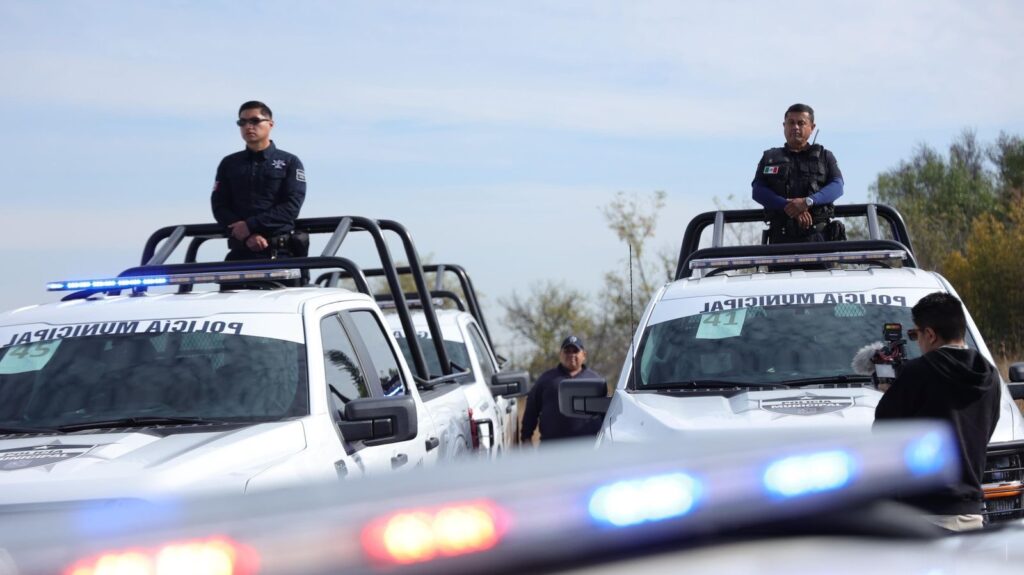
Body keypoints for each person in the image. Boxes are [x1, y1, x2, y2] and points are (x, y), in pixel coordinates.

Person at [874, 292, 1000, 532]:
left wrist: (891, 393)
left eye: (916, 334)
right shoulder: (991, 376)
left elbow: (883, 433)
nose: (917, 342)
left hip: (924, 516)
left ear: (930, 334)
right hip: (971, 514)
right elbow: (984, 433)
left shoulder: (918, 372)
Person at [211, 101, 307, 263]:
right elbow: (219, 206)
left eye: (255, 121)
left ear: (270, 124)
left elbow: (291, 206)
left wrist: (250, 225)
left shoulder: (290, 161)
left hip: (281, 253)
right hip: (240, 253)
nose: (248, 126)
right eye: (242, 122)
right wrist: (247, 235)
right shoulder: (229, 163)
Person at [751, 103, 845, 243]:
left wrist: (808, 202)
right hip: (780, 239)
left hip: (819, 239)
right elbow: (758, 190)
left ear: (812, 127)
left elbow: (837, 186)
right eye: (791, 123)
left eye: (801, 123)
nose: (795, 127)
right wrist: (787, 206)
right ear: (784, 126)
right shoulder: (769, 158)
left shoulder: (825, 156)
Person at [520, 335, 603, 445]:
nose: (571, 355)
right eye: (567, 351)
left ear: (584, 355)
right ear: (560, 354)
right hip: (552, 448)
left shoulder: (595, 381)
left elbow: (606, 414)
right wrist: (526, 437)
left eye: (575, 351)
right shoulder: (546, 379)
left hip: (588, 447)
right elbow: (531, 409)